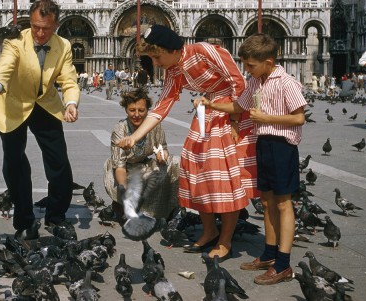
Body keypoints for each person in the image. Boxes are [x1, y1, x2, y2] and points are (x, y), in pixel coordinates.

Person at [117, 25, 257, 261]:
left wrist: (234, 119)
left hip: (230, 111)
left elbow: (238, 82)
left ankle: (225, 240)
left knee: (222, 177)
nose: (156, 62)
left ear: (170, 49)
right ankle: (210, 230)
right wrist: (135, 136)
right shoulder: (174, 70)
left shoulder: (204, 51)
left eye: (157, 56)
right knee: (195, 170)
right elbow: (162, 105)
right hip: (206, 111)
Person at [199, 33, 306, 285]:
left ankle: (283, 264)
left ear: (268, 62)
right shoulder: (256, 81)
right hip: (263, 144)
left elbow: (299, 118)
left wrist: (268, 119)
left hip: (282, 146)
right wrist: (211, 104)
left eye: (250, 65)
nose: (246, 69)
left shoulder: (286, 82)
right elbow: (239, 107)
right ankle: (269, 254)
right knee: (267, 203)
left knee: (283, 204)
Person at [0, 0, 80, 239]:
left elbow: (68, 79)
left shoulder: (64, 46)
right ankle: (24, 220)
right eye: (36, 26)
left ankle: (56, 215)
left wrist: (70, 103)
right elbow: (5, 66)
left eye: (46, 28)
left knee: (58, 160)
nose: (39, 32)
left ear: (56, 25)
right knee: (14, 162)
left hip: (45, 104)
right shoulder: (16, 40)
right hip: (14, 103)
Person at [104, 88, 179, 222]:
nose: (137, 114)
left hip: (146, 165)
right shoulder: (120, 129)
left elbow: (164, 148)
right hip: (125, 169)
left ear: (148, 110)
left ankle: (165, 210)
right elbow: (119, 166)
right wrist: (123, 188)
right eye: (132, 110)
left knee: (176, 162)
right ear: (126, 110)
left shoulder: (154, 126)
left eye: (141, 110)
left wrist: (163, 156)